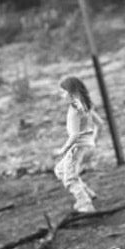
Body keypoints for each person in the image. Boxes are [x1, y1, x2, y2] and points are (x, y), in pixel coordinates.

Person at [53, 75, 104, 215]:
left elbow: (75, 135)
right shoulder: (85, 105)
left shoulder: (74, 111)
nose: (61, 95)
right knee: (60, 170)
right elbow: (100, 124)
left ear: (71, 92)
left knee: (69, 178)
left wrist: (62, 150)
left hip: (76, 148)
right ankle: (88, 193)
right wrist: (93, 141)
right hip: (86, 146)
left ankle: (85, 204)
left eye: (63, 91)